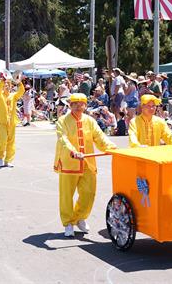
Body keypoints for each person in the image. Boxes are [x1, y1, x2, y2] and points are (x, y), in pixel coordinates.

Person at [54, 93, 117, 237]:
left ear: (85, 105)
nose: (78, 106)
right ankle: (68, 222)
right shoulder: (62, 121)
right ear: (70, 105)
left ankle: (79, 218)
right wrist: (73, 151)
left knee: (89, 193)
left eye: (81, 104)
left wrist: (111, 147)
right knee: (66, 195)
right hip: (69, 163)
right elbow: (63, 139)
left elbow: (99, 137)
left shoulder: (90, 121)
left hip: (88, 163)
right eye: (74, 104)